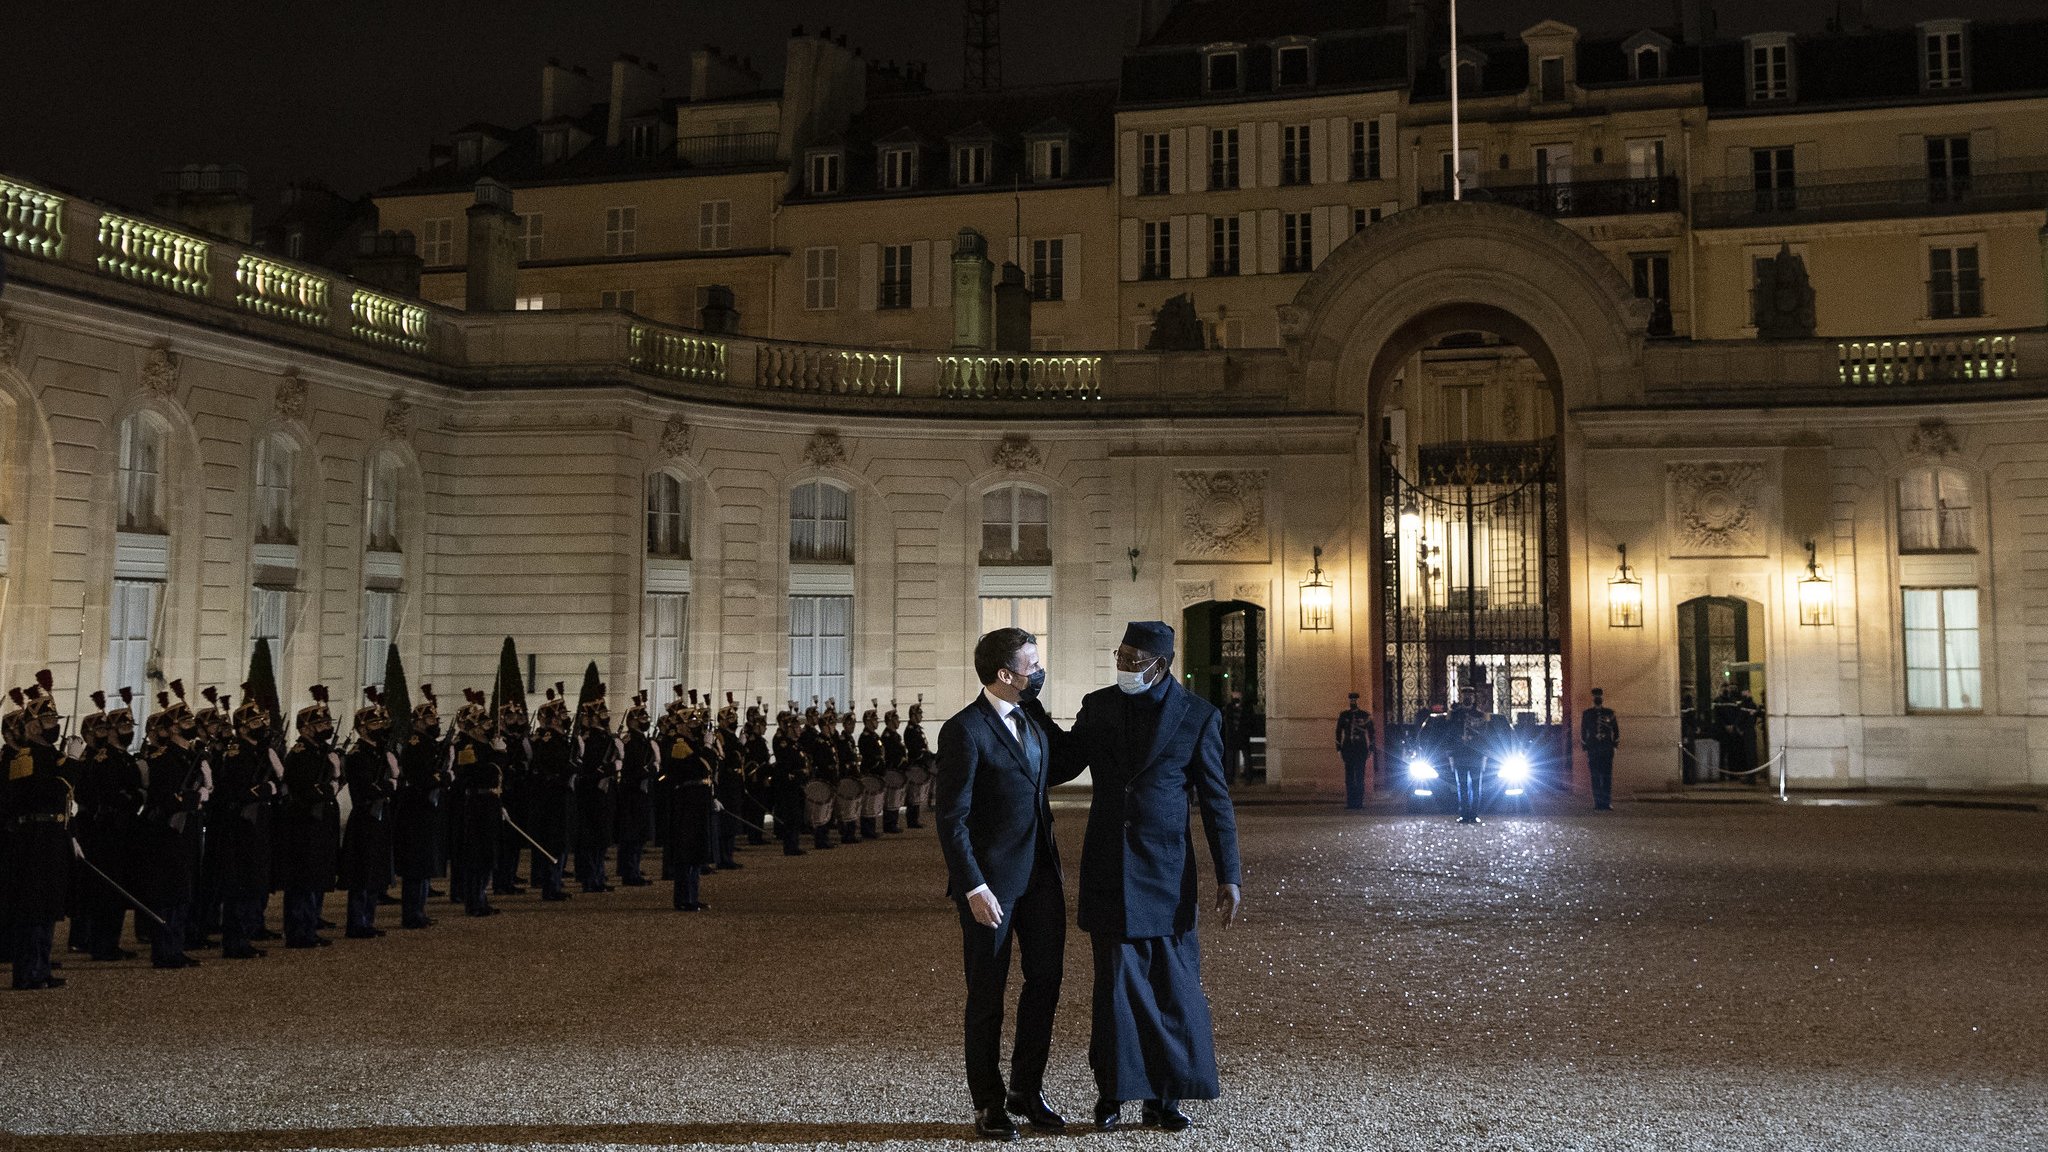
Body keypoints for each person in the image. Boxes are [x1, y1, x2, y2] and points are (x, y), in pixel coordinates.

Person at [1039, 621, 1240, 1133]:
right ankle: (1113, 1093)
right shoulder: (1099, 705)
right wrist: (1030, 706)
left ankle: (1165, 1097)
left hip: (1167, 872)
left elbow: (1216, 801)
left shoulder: (1198, 716)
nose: (1125, 666)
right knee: (1115, 989)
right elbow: (1061, 763)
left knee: (1173, 989)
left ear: (1161, 665)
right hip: (1110, 864)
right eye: (1121, 656)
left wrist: (1229, 874)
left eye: (1134, 660)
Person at [935, 627, 1070, 1141]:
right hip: (990, 888)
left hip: (1041, 880)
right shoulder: (964, 730)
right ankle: (988, 1103)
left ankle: (1026, 1089)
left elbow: (1060, 766)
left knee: (1046, 983)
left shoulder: (1032, 720)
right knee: (987, 994)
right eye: (1033, 665)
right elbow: (952, 818)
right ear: (1004, 674)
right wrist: (972, 886)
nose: (1040, 671)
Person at [339, 688, 396, 939]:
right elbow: (366, 789)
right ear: (362, 728)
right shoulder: (358, 755)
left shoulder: (378, 752)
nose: (379, 726)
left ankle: (368, 920)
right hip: (365, 816)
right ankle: (356, 922)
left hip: (380, 815)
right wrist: (389, 785)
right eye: (374, 723)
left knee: (376, 872)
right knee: (362, 873)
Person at [1446, 686, 1488, 825]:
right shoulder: (1454, 714)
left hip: (1475, 756)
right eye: (1465, 695)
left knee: (1476, 787)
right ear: (1461, 697)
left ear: (1473, 697)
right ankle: (1464, 814)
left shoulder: (1480, 715)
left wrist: (1484, 756)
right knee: (1462, 786)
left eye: (1470, 694)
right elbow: (1450, 735)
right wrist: (1451, 754)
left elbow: (1484, 738)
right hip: (1460, 756)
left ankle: (1474, 814)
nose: (1467, 697)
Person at [1580, 688, 1620, 811]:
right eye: (1595, 696)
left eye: (1599, 696)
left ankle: (1606, 802)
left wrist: (1614, 746)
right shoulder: (1587, 714)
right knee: (1595, 776)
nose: (1597, 698)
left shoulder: (1610, 713)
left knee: (1607, 776)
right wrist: (1586, 747)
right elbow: (1583, 731)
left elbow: (1616, 731)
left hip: (1606, 748)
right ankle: (1598, 802)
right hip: (1594, 749)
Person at [1334, 693, 1375, 809]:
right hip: (1348, 748)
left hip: (1360, 749)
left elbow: (1371, 733)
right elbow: (1338, 732)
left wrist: (1371, 748)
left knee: (1360, 777)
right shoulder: (1344, 715)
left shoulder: (1364, 715)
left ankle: (1359, 802)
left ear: (1357, 701)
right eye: (1351, 700)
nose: (1353, 702)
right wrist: (1339, 748)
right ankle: (1351, 802)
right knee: (1349, 777)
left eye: (1354, 700)